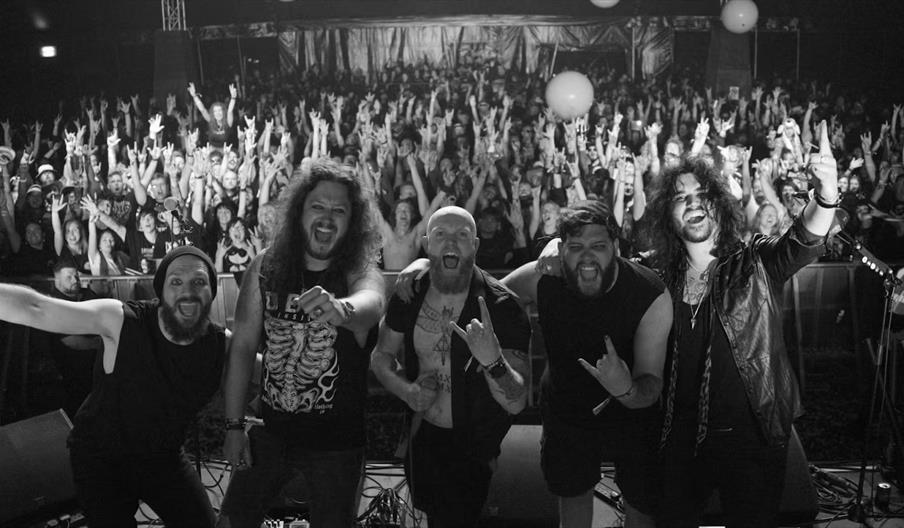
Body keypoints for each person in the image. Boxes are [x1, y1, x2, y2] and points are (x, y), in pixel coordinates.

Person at [643, 122, 839, 527]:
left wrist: (827, 192)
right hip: (679, 437)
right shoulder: (656, 276)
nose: (693, 204)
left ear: (718, 203)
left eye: (702, 195)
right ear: (668, 212)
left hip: (751, 437)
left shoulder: (755, 262)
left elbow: (804, 239)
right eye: (681, 198)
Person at [0, 245, 226, 527]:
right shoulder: (121, 320)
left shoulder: (218, 342)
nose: (188, 291)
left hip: (162, 457)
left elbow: (267, 367)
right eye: (176, 281)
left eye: (199, 281)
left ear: (212, 291)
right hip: (101, 459)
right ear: (161, 291)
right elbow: (38, 309)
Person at [219, 159, 385, 528]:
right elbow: (244, 347)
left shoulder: (359, 269)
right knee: (232, 521)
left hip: (337, 444)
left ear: (352, 221)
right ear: (299, 212)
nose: (327, 218)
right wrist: (232, 425)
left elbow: (371, 305)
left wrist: (341, 309)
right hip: (272, 432)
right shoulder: (267, 266)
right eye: (318, 206)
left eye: (339, 210)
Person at [501, 200, 671, 528]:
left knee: (641, 499)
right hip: (567, 405)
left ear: (616, 248)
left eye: (598, 246)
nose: (587, 255)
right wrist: (420, 268)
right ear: (562, 250)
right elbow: (493, 296)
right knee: (573, 494)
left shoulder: (649, 294)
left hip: (632, 412)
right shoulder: (545, 278)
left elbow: (651, 383)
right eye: (576, 246)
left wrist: (625, 388)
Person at [371, 205, 531, 528]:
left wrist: (494, 362)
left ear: (475, 245)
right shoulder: (409, 293)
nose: (451, 243)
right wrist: (408, 391)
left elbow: (517, 400)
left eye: (462, 235)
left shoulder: (502, 307)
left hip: (474, 445)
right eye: (441, 234)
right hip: (424, 439)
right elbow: (380, 358)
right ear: (428, 243)